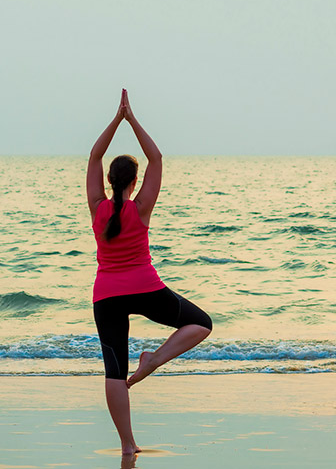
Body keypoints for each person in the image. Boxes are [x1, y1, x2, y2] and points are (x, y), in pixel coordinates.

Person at [87, 89, 213, 456]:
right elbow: (156, 157)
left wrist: (115, 120)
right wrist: (131, 118)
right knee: (201, 323)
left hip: (106, 295)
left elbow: (94, 156)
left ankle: (127, 446)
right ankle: (154, 360)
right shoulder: (141, 208)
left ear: (110, 180)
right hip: (145, 288)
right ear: (133, 182)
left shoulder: (97, 208)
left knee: (113, 370)